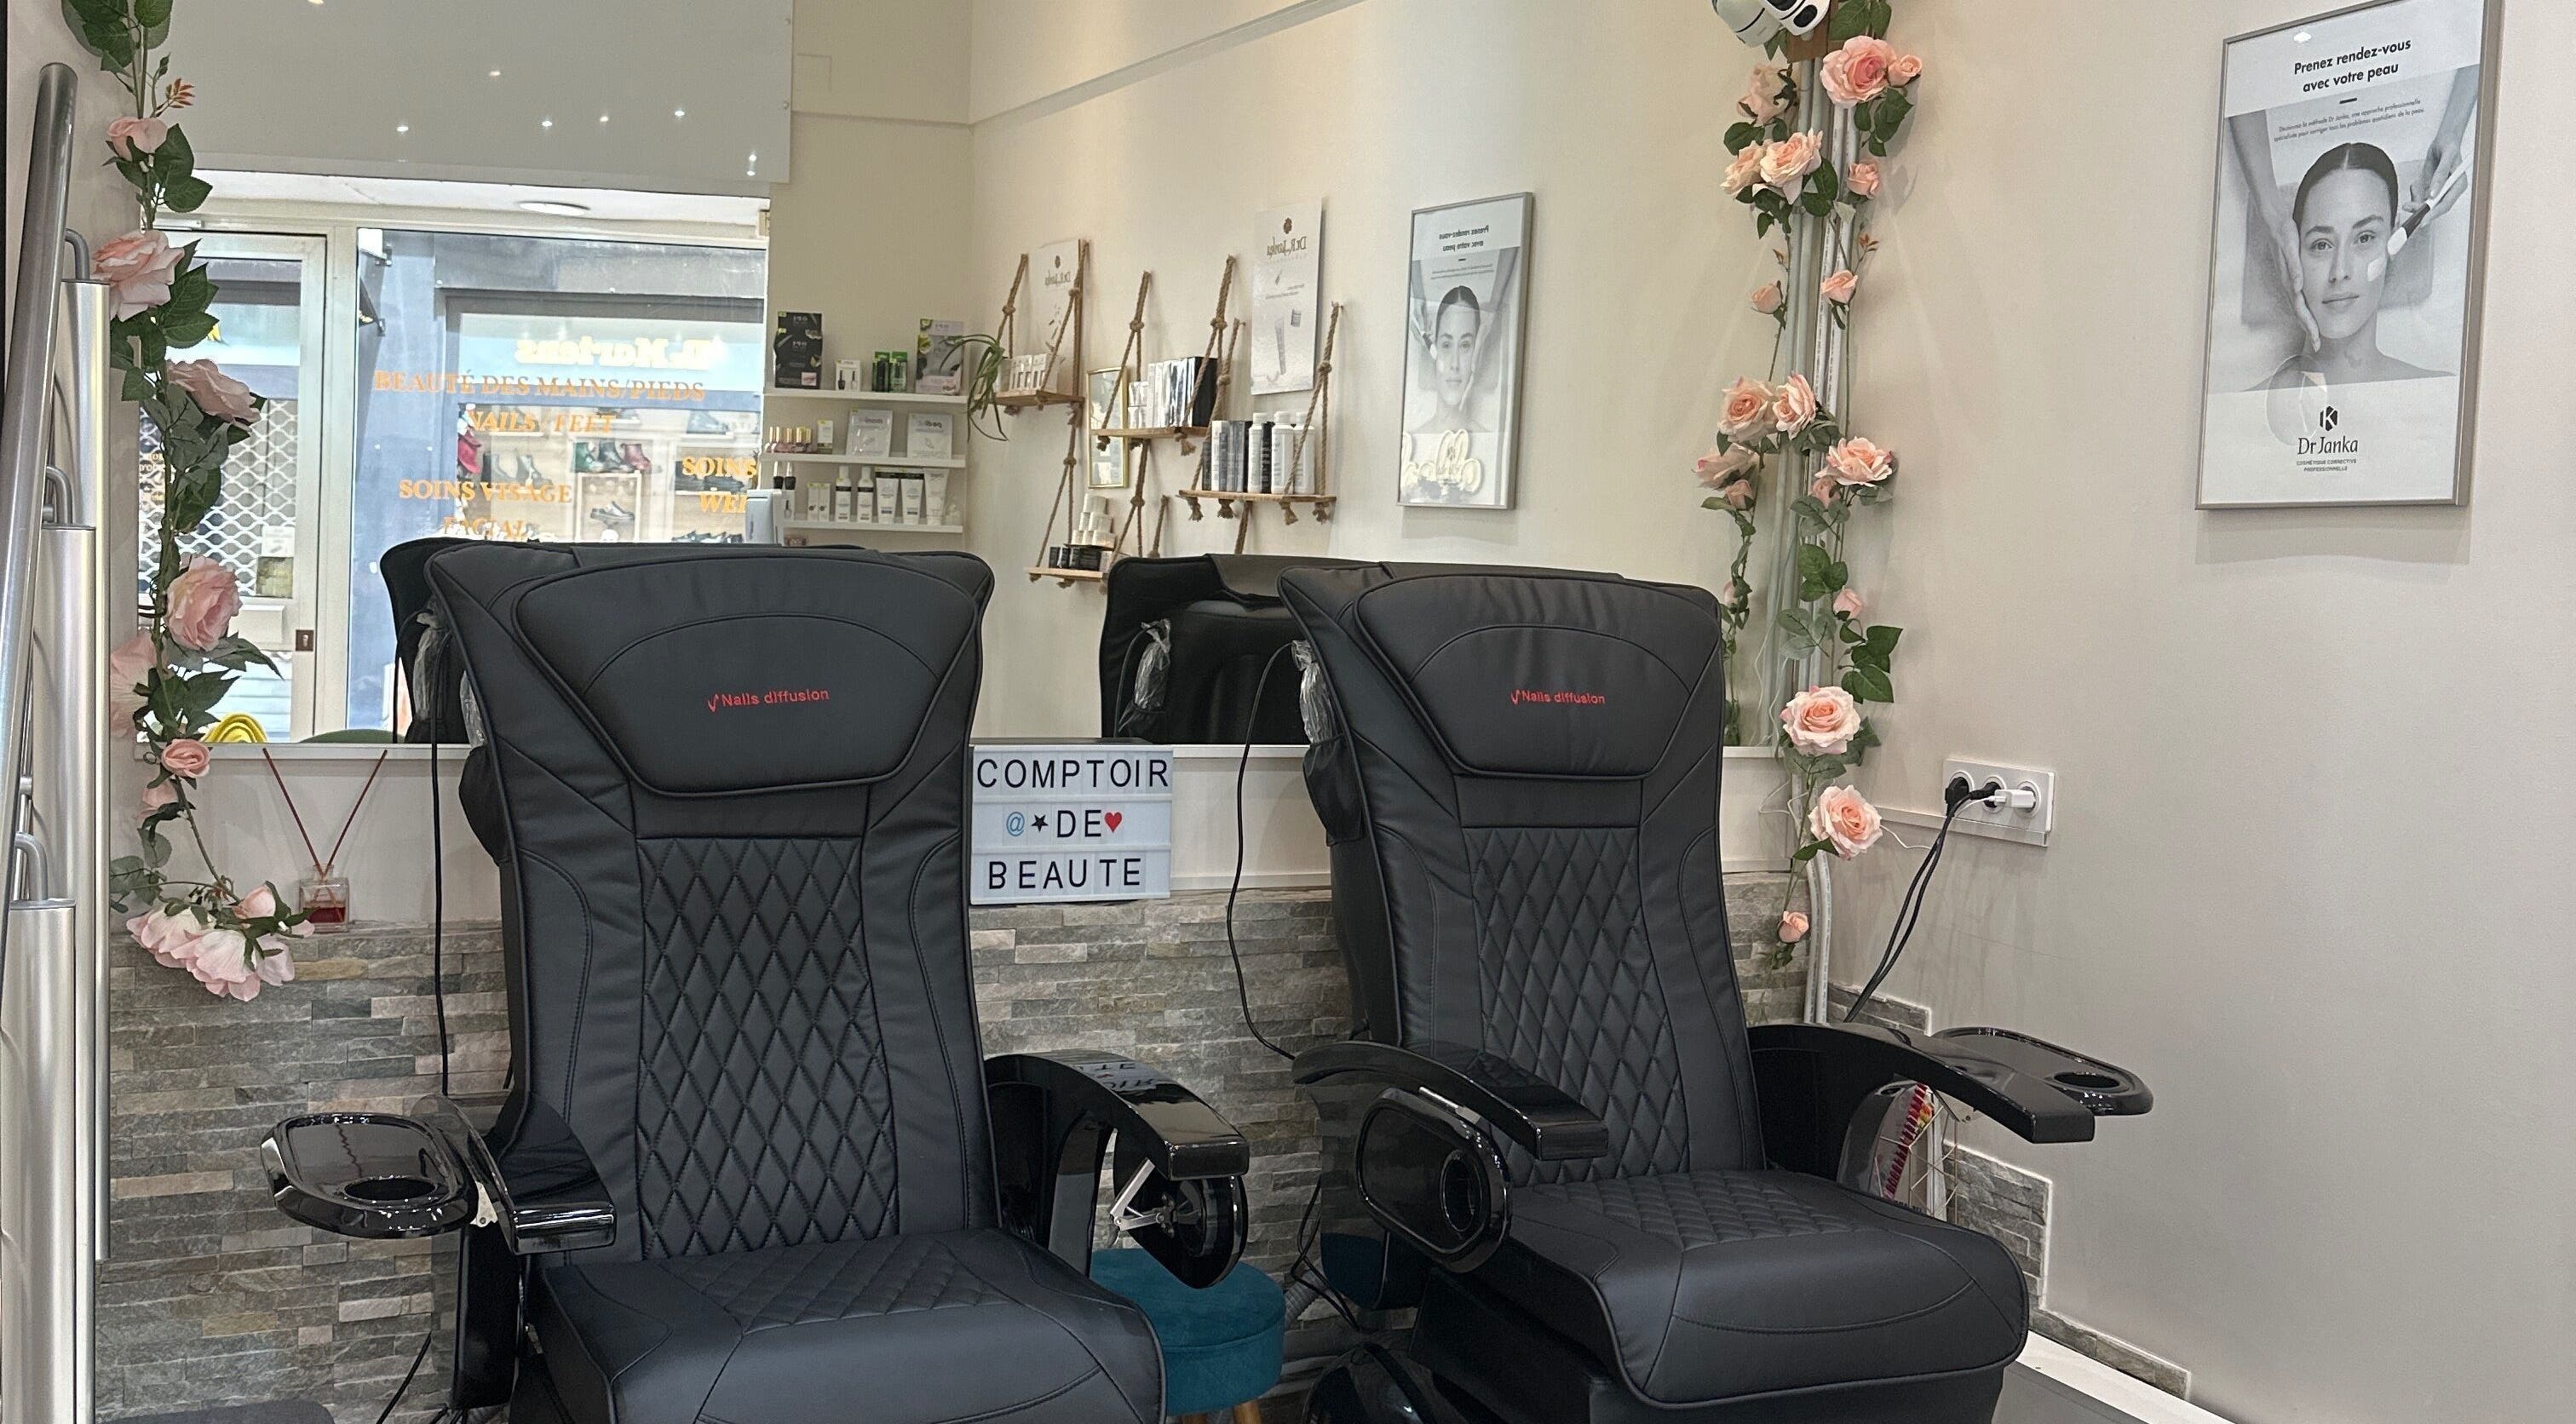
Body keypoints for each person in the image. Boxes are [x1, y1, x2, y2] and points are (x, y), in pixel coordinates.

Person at [2251, 142, 2447, 390]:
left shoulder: (2438, 392)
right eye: (2321, 245)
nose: (2339, 272)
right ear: (2293, 250)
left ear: (2395, 237)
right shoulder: (2238, 411)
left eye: (2364, 238)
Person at [1410, 284, 1486, 433]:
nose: (1454, 364)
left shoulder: (1489, 441)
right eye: (1446, 345)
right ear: (1435, 346)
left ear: (1477, 350)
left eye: (1465, 345)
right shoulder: (1412, 440)